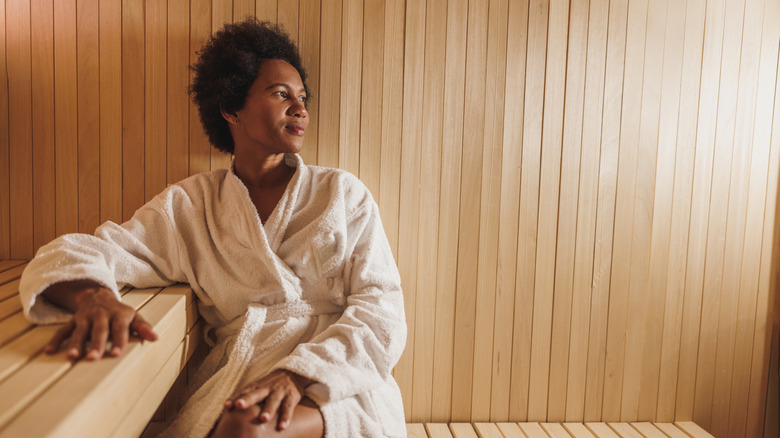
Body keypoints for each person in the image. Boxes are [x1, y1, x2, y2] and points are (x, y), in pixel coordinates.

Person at [19, 18, 407, 438]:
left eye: (302, 97)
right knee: (242, 423)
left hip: (338, 383)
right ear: (230, 108)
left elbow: (381, 310)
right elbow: (84, 251)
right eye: (281, 94)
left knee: (247, 427)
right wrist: (93, 296)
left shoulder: (341, 193)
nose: (300, 108)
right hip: (244, 372)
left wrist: (298, 374)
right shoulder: (191, 206)